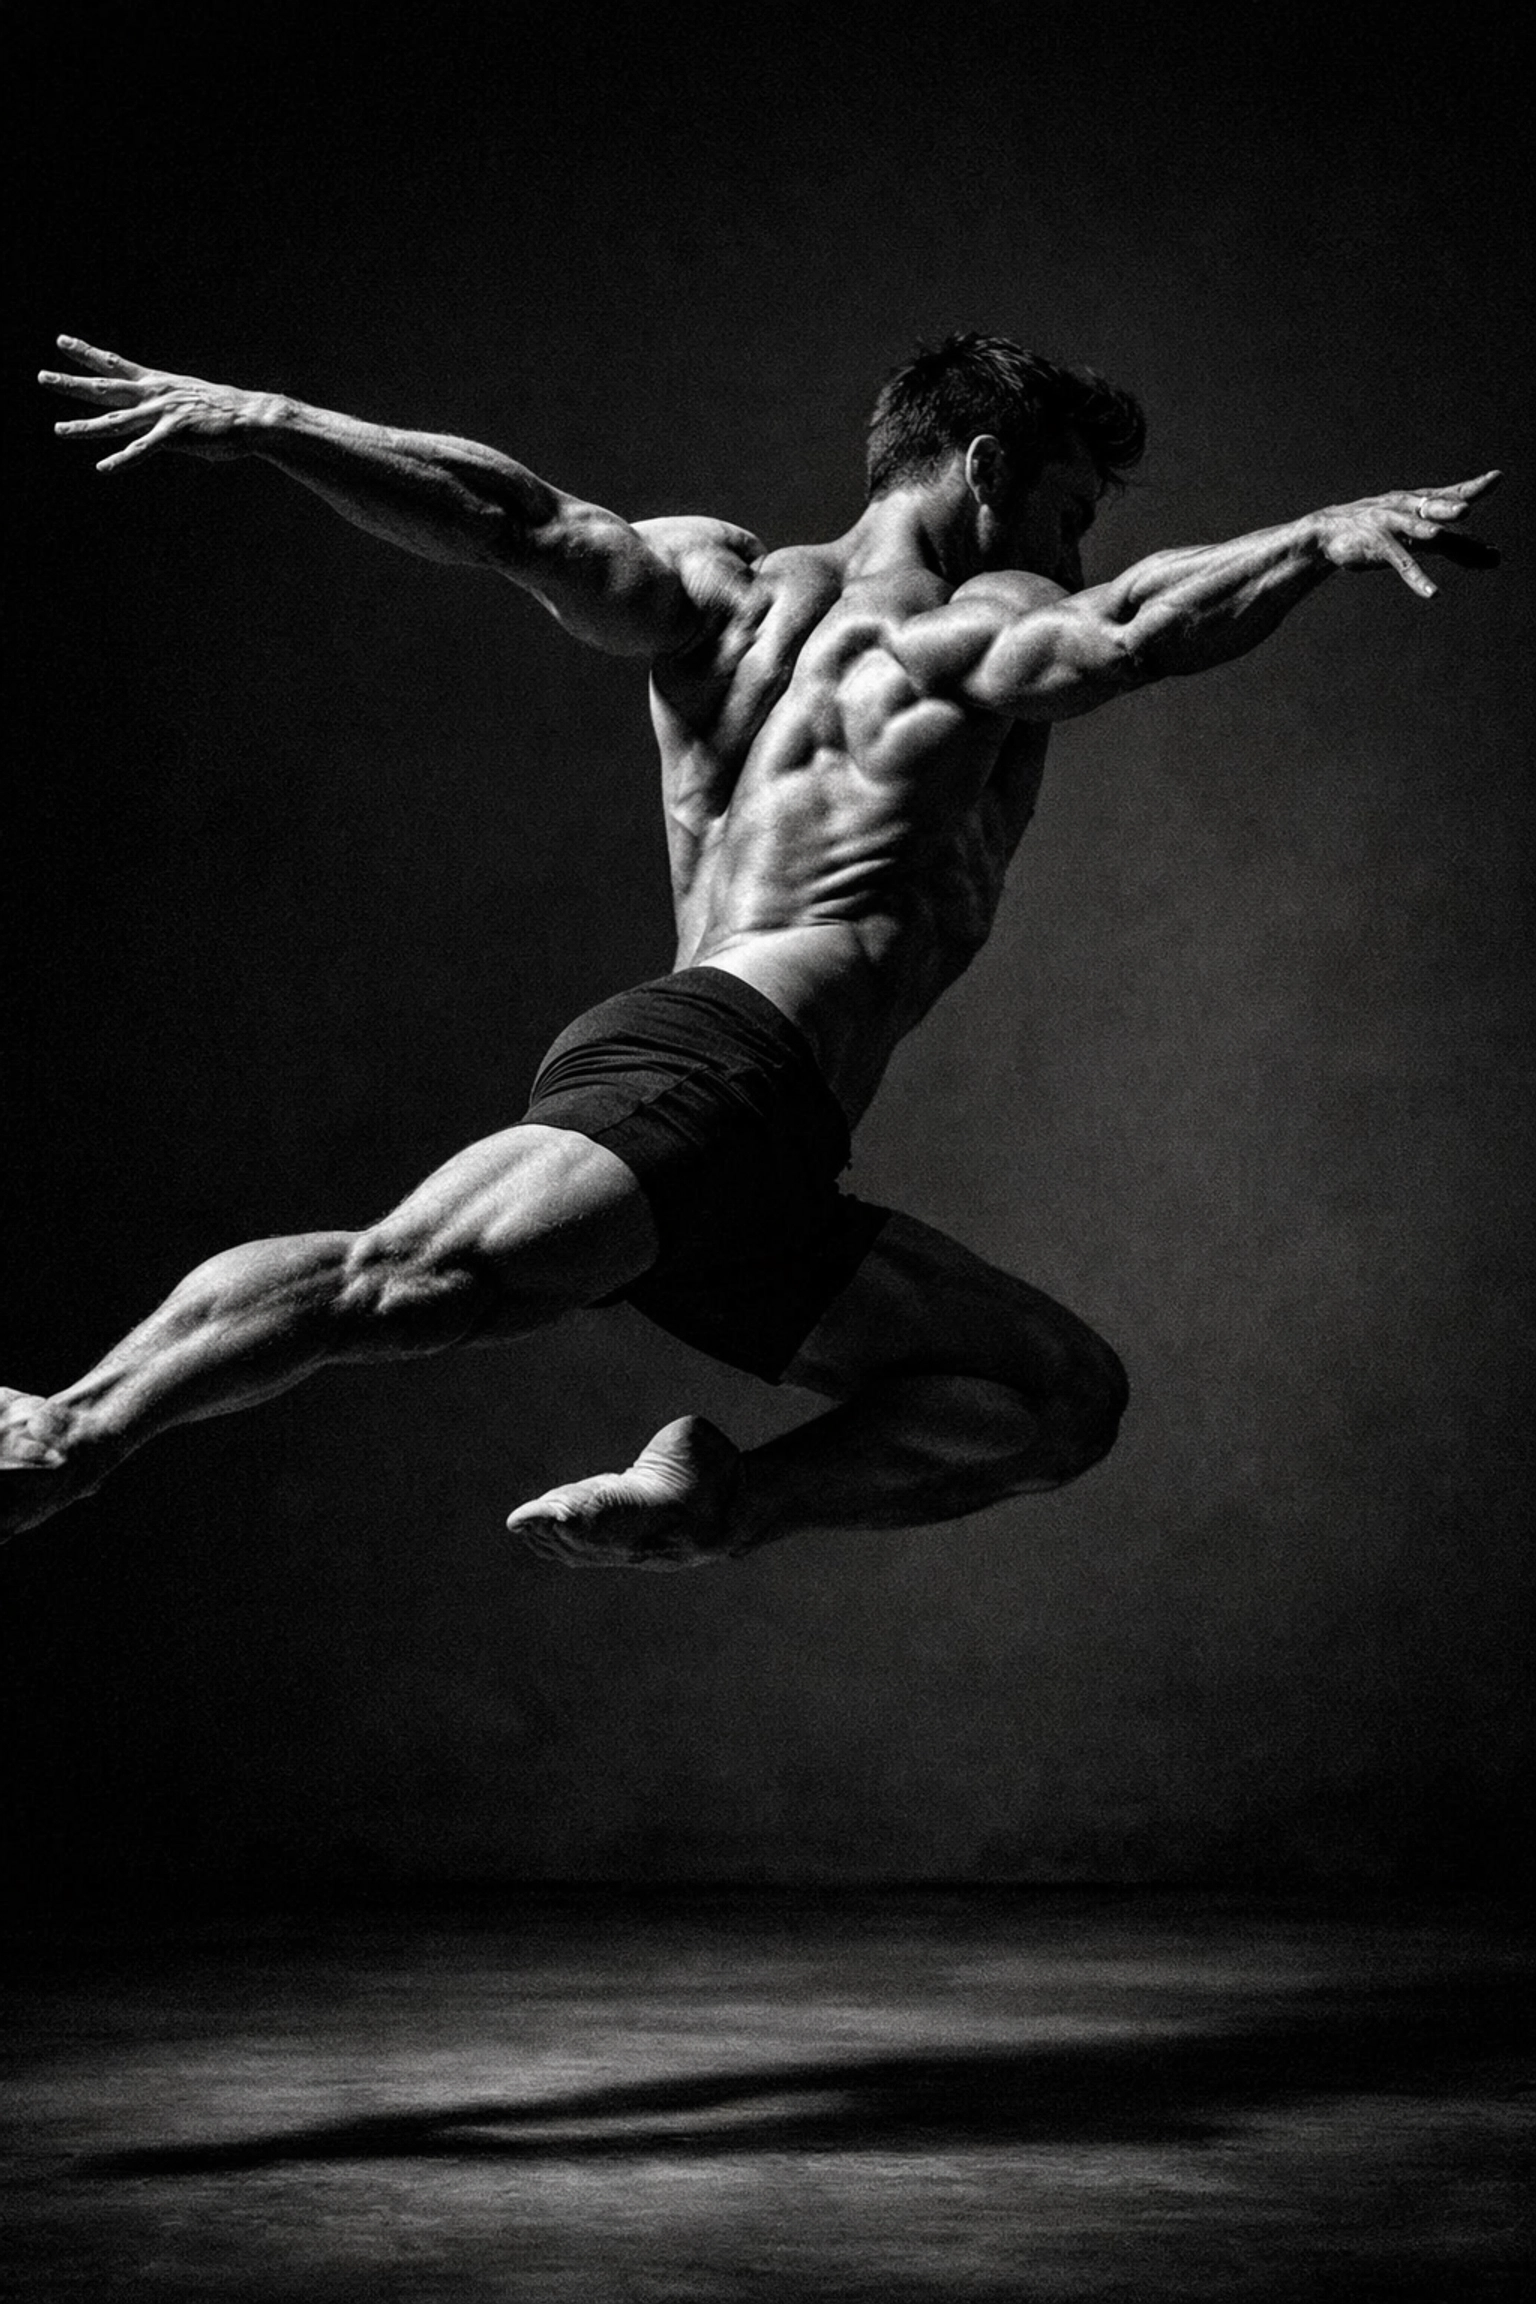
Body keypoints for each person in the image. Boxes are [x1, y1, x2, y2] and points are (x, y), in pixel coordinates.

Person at [5, 333, 1498, 1566]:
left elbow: (514, 521)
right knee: (402, 1278)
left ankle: (718, 1499)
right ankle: (69, 1425)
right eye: (1066, 510)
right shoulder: (962, 625)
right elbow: (1126, 635)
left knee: (1054, 1400)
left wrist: (280, 423)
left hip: (757, 1148)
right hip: (719, 1077)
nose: (1070, 549)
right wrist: (1314, 540)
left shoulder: (716, 592)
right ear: (985, 470)